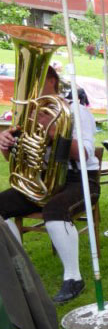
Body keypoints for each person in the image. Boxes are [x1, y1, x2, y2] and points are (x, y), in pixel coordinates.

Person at [0, 66, 99, 304]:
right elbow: (16, 157)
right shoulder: (28, 113)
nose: (30, 88)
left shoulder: (76, 111)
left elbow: (84, 154)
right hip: (41, 179)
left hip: (80, 179)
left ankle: (73, 278)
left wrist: (54, 132)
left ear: (52, 81)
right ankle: (18, 269)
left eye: (36, 81)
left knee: (54, 209)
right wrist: (6, 144)